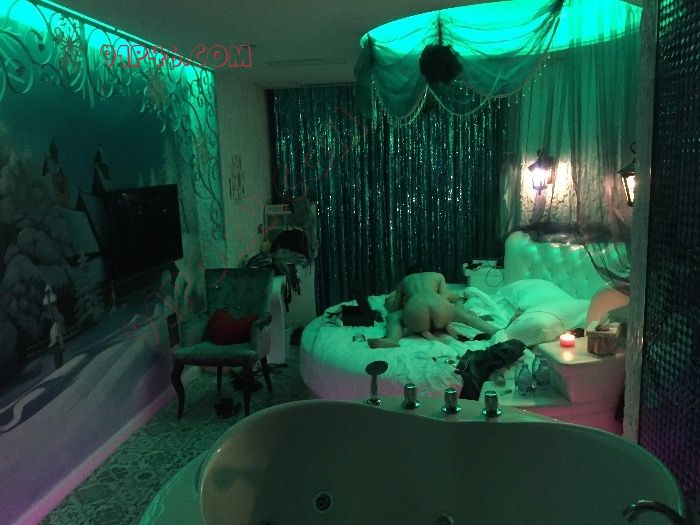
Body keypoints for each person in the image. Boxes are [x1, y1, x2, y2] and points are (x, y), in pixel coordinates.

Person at [368, 271, 498, 348]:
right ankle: (494, 330)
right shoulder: (437, 276)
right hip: (438, 305)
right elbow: (444, 298)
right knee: (466, 314)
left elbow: (395, 309)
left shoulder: (405, 280)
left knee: (394, 317)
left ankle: (392, 339)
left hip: (416, 308)